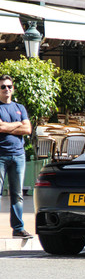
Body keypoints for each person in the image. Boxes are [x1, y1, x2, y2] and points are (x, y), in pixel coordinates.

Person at [0, 75, 33, 238]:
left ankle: (18, 228)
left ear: (13, 88)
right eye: (3, 87)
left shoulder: (20, 107)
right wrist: (18, 124)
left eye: (9, 86)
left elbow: (28, 129)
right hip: (1, 155)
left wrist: (8, 127)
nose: (6, 89)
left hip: (18, 155)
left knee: (17, 193)